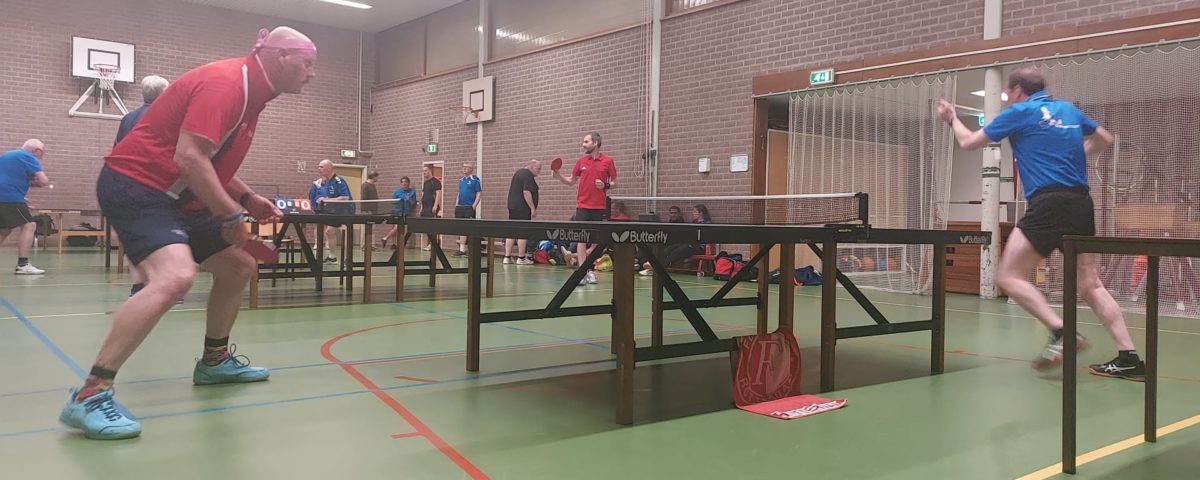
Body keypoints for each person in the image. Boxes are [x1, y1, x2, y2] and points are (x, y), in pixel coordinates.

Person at [59, 26, 316, 440]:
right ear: (280, 56)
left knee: (238, 267)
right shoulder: (227, 85)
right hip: (137, 187)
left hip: (178, 196)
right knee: (175, 276)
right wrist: (230, 215)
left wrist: (247, 197)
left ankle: (214, 362)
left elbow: (207, 160)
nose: (311, 73)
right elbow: (190, 157)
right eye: (307, 63)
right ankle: (90, 394)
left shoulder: (252, 96)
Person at [936, 66, 1143, 380]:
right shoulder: (1068, 110)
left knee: (1008, 275)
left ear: (1018, 90)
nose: (1007, 98)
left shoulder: (1019, 112)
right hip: (1080, 203)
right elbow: (1105, 138)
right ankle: (1129, 358)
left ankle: (1062, 332)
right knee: (1090, 284)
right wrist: (1076, 154)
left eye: (1008, 93)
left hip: (1048, 203)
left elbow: (969, 142)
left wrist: (952, 118)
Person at [115, 75, 171, 297]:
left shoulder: (127, 119)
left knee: (136, 236)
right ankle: (162, 286)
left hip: (128, 184)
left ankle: (138, 287)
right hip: (155, 185)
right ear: (163, 94)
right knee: (163, 237)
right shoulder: (165, 116)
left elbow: (118, 151)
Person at [551, 132, 617, 285]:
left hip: (599, 207)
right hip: (582, 206)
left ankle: (591, 270)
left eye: (586, 142)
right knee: (581, 238)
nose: (583, 144)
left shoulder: (608, 161)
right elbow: (571, 181)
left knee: (595, 242)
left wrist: (606, 185)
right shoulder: (581, 161)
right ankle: (582, 271)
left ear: (595, 143)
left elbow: (615, 182)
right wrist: (559, 176)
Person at [0, 139, 52, 275]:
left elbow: (7, 178)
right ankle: (23, 265)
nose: (41, 158)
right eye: (41, 155)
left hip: (5, 196)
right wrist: (39, 183)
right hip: (9, 197)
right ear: (37, 151)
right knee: (29, 225)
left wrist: (21, 196)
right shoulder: (29, 156)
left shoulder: (7, 156)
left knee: (4, 230)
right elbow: (43, 180)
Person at [639, 204, 711, 276]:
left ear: (701, 213)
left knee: (679, 251)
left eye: (695, 211)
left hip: (699, 246)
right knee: (669, 249)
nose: (693, 213)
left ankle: (658, 268)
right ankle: (652, 264)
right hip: (689, 244)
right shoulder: (694, 222)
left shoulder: (707, 224)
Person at [308, 159, 353, 264]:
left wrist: (326, 200)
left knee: (345, 233)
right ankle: (332, 257)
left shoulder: (339, 180)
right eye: (319, 166)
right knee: (329, 231)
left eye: (321, 167)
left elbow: (345, 197)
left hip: (346, 211)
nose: (319, 169)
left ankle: (348, 258)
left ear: (329, 168)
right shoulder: (327, 182)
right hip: (335, 211)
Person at [503, 160, 541, 264]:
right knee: (522, 233)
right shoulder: (528, 175)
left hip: (513, 206)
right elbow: (526, 192)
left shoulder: (518, 173)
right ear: (531, 167)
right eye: (538, 169)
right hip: (522, 208)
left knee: (511, 232)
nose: (539, 172)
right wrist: (533, 208)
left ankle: (507, 257)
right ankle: (521, 258)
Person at [453, 163, 482, 257]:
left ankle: (471, 249)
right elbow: (459, 193)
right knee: (461, 228)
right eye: (463, 167)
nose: (464, 169)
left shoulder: (475, 180)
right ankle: (462, 249)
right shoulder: (461, 180)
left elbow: (478, 193)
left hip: (469, 207)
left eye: (466, 167)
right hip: (460, 207)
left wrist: (474, 206)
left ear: (471, 169)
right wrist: (456, 204)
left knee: (469, 228)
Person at [381, 175, 417, 249]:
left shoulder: (412, 192)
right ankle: (394, 244)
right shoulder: (397, 192)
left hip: (405, 213)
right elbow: (393, 201)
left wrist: (409, 199)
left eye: (405, 182)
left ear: (408, 183)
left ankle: (385, 238)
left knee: (397, 227)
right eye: (402, 182)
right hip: (396, 211)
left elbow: (413, 204)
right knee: (394, 228)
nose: (404, 183)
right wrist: (397, 202)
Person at [418, 165, 442, 251]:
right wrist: (421, 208)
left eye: (425, 171)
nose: (424, 173)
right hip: (425, 207)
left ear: (430, 171)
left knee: (432, 226)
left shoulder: (435, 181)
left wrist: (435, 205)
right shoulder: (425, 183)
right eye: (423, 171)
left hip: (432, 207)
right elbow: (424, 195)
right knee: (425, 226)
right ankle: (430, 242)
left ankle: (433, 243)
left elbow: (438, 194)